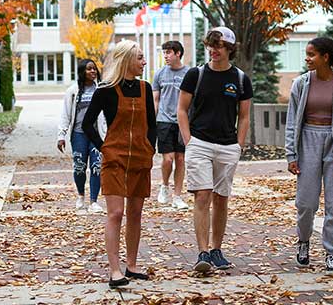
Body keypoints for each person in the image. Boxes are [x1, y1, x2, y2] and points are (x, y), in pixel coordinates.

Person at [285, 37, 333, 272]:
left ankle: (331, 252)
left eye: (311, 54)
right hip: (308, 141)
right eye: (307, 54)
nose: (307, 58)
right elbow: (291, 122)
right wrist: (291, 154)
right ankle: (303, 242)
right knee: (306, 202)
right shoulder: (300, 84)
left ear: (325, 57)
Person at [177, 26, 252, 273]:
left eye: (219, 45)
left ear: (229, 49)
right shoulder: (195, 75)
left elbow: (244, 117)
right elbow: (181, 110)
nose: (213, 49)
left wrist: (238, 146)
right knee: (202, 195)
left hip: (228, 146)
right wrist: (189, 142)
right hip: (200, 143)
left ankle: (217, 250)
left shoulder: (240, 79)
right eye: (211, 44)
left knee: (221, 199)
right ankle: (203, 252)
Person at [82, 40, 156, 288]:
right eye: (140, 58)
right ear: (126, 60)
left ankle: (132, 266)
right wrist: (103, 146)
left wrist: (150, 148)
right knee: (116, 213)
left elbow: (152, 126)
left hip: (140, 159)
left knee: (136, 213)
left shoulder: (146, 89)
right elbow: (86, 124)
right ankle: (114, 270)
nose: (144, 62)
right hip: (114, 159)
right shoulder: (105, 90)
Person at [57, 59, 105, 213]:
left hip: (97, 136)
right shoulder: (73, 91)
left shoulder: (101, 90)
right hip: (79, 135)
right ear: (82, 72)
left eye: (94, 69)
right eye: (89, 69)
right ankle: (80, 195)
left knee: (96, 166)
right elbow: (65, 114)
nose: (93, 72)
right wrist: (61, 135)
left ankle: (94, 201)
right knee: (79, 167)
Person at [153, 41, 190, 209]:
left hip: (183, 123)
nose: (166, 56)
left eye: (168, 52)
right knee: (168, 159)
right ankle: (165, 186)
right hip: (164, 121)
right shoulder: (160, 74)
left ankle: (177, 195)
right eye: (164, 52)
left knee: (181, 159)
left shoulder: (189, 74)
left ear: (178, 53)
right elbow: (156, 100)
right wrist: (152, 123)